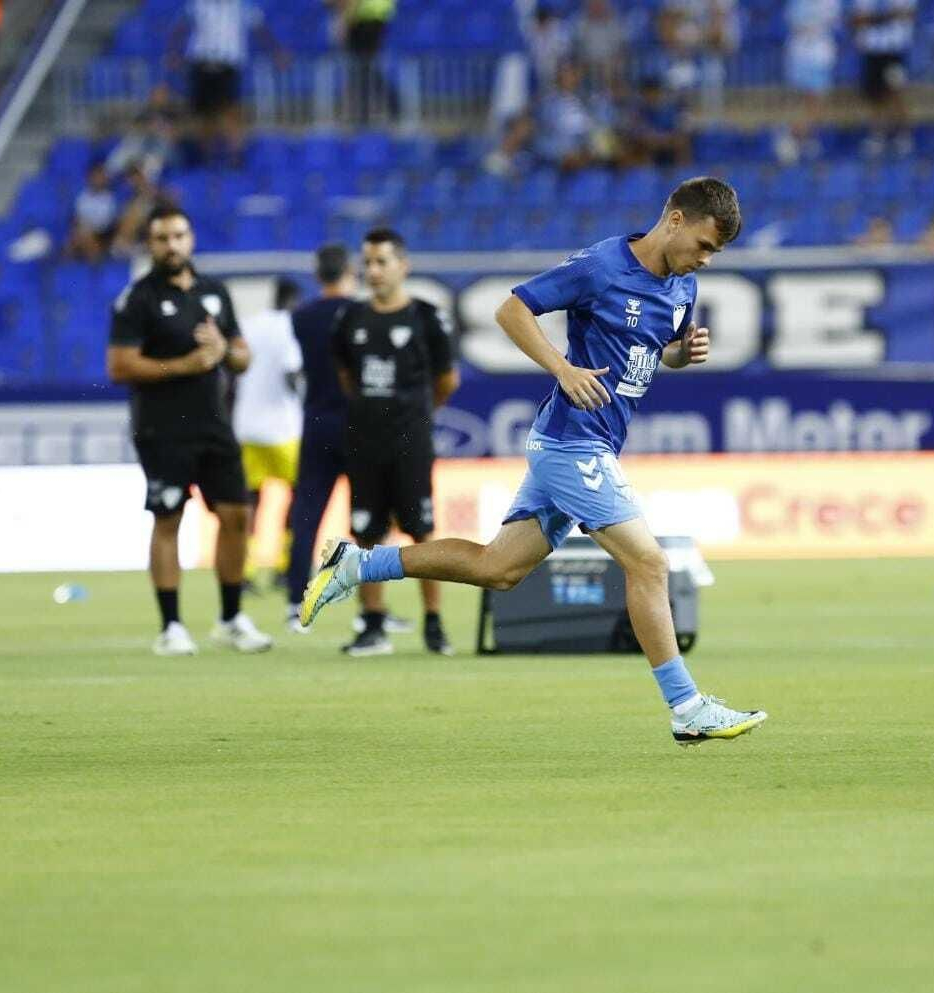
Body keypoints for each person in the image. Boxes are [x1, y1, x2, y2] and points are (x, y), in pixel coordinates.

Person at [300, 178, 768, 746]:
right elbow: (512, 309)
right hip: (573, 444)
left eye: (715, 252)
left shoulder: (682, 287)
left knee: (498, 569)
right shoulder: (601, 267)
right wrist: (562, 369)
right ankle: (687, 707)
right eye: (704, 245)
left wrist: (679, 355)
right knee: (648, 564)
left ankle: (357, 564)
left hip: (586, 444)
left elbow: (652, 350)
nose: (706, 259)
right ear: (674, 220)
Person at [106, 205, 272, 656]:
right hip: (161, 428)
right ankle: (171, 626)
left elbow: (242, 356)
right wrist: (185, 364)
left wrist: (224, 351)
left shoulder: (214, 292)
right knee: (168, 520)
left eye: (179, 236)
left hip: (214, 424)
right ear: (150, 244)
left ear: (191, 239)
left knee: (237, 516)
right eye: (162, 238)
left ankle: (231, 618)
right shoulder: (137, 299)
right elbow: (120, 366)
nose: (172, 245)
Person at [327, 228, 459, 657]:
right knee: (366, 533)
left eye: (382, 261)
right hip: (364, 442)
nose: (373, 271)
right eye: (367, 262)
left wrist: (416, 415)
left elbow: (446, 380)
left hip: (410, 443)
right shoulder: (349, 319)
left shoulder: (426, 317)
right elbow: (346, 376)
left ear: (403, 265)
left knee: (422, 532)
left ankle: (434, 623)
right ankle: (373, 623)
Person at [283, 245, 411, 637]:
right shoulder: (362, 313)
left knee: (307, 515)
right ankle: (371, 609)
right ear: (351, 271)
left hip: (317, 422)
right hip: (359, 424)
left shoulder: (301, 317)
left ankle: (294, 604)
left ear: (317, 274)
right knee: (369, 519)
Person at [232, 276, 304, 590]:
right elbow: (291, 375)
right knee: (299, 495)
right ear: (294, 301)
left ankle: (245, 571)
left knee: (250, 499)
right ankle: (285, 567)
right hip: (284, 429)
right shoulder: (290, 328)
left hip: (248, 425)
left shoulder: (250, 325)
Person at [176, 0, 285, 164]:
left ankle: (235, 156)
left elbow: (260, 29)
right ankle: (205, 158)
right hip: (201, 63)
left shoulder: (242, 5)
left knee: (230, 111)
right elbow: (181, 27)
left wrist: (276, 52)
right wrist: (175, 52)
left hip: (228, 63)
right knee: (204, 115)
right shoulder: (198, 4)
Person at [778, 0, 840, 164]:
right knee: (798, 99)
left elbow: (832, 21)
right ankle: (796, 137)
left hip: (820, 56)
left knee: (816, 99)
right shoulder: (796, 3)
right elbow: (793, 22)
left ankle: (801, 137)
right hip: (799, 54)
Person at [851, 0, 916, 157]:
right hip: (872, 51)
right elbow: (857, 19)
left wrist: (874, 18)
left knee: (896, 93)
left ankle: (903, 135)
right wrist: (887, 16)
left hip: (894, 52)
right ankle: (878, 135)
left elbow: (908, 14)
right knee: (875, 97)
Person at [68, 162, 119, 263]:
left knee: (84, 233)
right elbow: (77, 217)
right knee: (77, 234)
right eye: (95, 177)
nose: (98, 180)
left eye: (100, 177)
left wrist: (88, 226)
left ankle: (97, 263)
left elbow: (107, 222)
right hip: (83, 231)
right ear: (90, 178)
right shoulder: (83, 197)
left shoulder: (109, 198)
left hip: (103, 234)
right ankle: (69, 265)